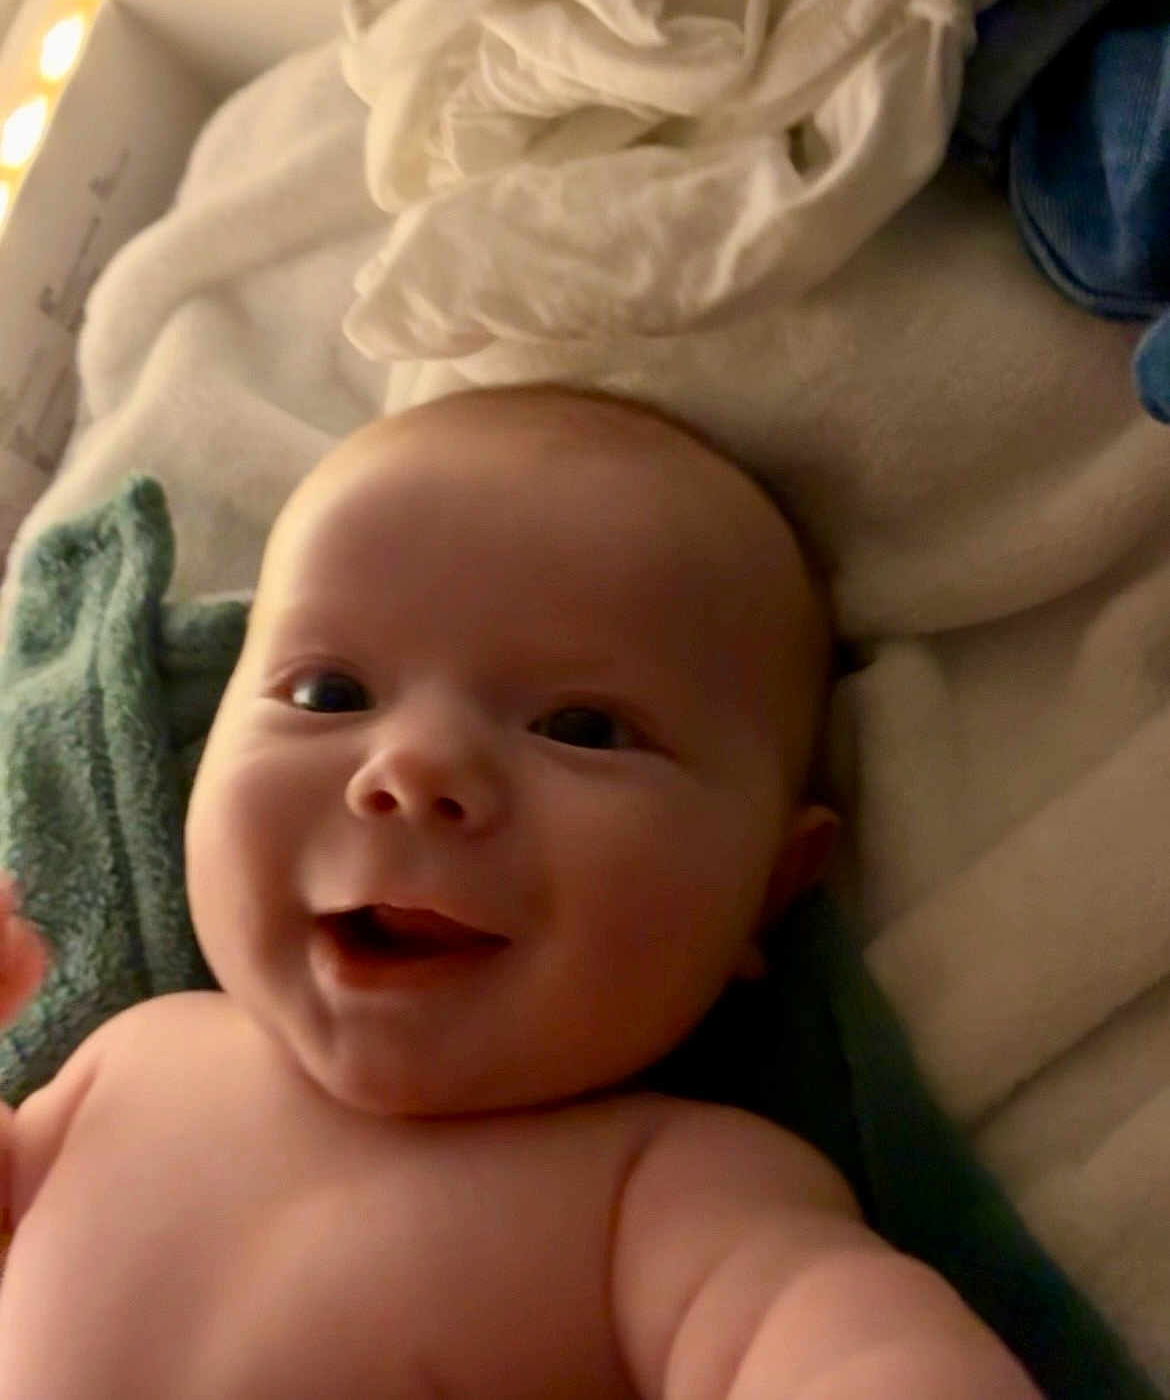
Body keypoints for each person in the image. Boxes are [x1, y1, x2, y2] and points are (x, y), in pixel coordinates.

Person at [0, 384, 1040, 1397]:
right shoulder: (127, 1062)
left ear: (768, 890)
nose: (415, 771)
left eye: (581, 729)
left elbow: (847, 1353)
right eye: (330, 694)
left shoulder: (663, 1195)